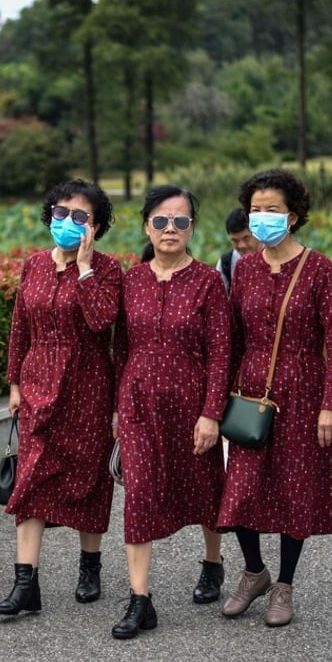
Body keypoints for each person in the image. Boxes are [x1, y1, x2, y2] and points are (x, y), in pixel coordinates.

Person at [217, 168, 332, 628]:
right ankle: (254, 572)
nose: (261, 218)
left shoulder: (318, 268)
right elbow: (232, 337)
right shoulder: (246, 267)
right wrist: (217, 399)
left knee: (295, 492)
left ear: (293, 217)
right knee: (238, 492)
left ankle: (284, 586)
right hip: (250, 393)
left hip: (304, 392)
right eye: (255, 210)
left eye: (271, 210)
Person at [0, 179, 122, 617]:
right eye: (61, 213)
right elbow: (19, 328)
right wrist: (13, 383)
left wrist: (84, 268)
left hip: (87, 386)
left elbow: (103, 322)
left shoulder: (107, 269)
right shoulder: (33, 265)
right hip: (36, 386)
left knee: (88, 480)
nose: (67, 222)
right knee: (29, 481)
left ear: (96, 226)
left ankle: (90, 566)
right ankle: (25, 583)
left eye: (80, 216)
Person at [110, 184, 230, 639]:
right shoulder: (131, 280)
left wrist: (211, 412)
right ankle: (141, 600)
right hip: (139, 403)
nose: (170, 229)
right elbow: (121, 348)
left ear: (192, 228)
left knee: (205, 488)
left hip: (191, 403)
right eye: (161, 220)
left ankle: (213, 563)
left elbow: (221, 352)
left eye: (180, 221)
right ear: (147, 226)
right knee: (138, 495)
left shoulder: (207, 282)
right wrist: (118, 409)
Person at [216, 207, 260, 293]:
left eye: (246, 238)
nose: (241, 245)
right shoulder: (226, 264)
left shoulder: (275, 255)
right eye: (235, 240)